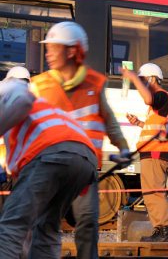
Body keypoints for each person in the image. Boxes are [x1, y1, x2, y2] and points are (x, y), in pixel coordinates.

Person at [30, 21, 130, 259]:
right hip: (50, 169)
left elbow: (108, 120)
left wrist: (123, 146)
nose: (48, 54)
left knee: (87, 224)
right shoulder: (39, 86)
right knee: (45, 224)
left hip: (83, 173)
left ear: (72, 51)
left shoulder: (93, 86)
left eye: (54, 48)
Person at [0, 79, 97, 259]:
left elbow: (22, 98)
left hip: (51, 153)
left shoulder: (7, 90)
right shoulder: (43, 111)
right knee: (47, 227)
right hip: (84, 157)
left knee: (12, 225)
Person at [121, 62, 168, 242]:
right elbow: (158, 130)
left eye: (144, 80)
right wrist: (138, 123)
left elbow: (148, 99)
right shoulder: (158, 103)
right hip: (152, 154)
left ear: (152, 79)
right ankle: (159, 229)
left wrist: (133, 77)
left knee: (154, 193)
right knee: (150, 194)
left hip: (156, 154)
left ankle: (164, 232)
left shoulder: (161, 96)